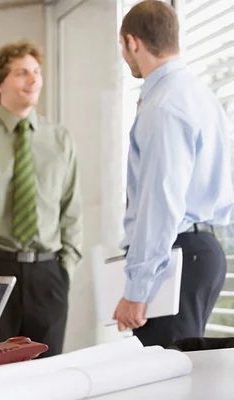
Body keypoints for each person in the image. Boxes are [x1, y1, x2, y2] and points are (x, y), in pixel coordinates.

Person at [0, 40, 83, 357]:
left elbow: (71, 211)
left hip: (48, 275)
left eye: (36, 72)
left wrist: (66, 270)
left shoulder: (61, 139)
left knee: (49, 377)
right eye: (22, 73)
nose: (33, 79)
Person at [114, 0, 234, 347]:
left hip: (176, 259)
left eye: (123, 47)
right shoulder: (198, 94)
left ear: (132, 42)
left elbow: (160, 203)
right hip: (202, 251)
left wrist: (138, 290)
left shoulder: (163, 105)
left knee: (164, 378)